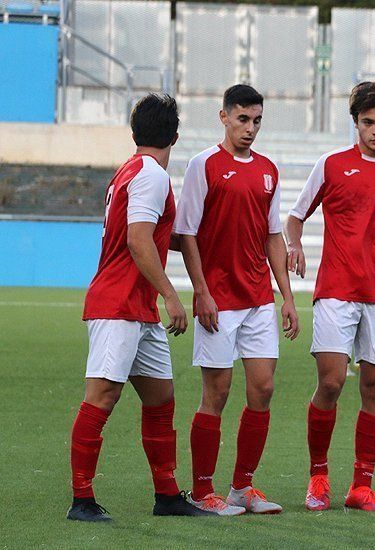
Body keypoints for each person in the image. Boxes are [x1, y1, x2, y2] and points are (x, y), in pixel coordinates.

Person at [68, 93, 210, 521]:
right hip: (118, 304)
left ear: (135, 132)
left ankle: (166, 496)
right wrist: (171, 293)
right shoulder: (151, 174)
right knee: (102, 396)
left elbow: (145, 235)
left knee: (160, 395)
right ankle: (82, 500)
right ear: (176, 137)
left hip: (135, 305)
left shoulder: (130, 170)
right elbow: (137, 239)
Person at [286, 78, 375, 512]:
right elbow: (294, 217)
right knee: (329, 382)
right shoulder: (330, 164)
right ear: (356, 123)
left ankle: (362, 485)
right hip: (337, 290)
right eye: (369, 122)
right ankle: (318, 477)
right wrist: (293, 245)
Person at [175, 84, 299, 515]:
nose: (250, 128)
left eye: (257, 120)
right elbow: (186, 232)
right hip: (218, 301)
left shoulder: (267, 169)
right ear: (223, 116)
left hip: (259, 298)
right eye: (243, 119)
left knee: (262, 389)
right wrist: (202, 291)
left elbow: (272, 235)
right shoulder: (202, 165)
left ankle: (242, 488)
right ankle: (202, 490)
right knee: (218, 393)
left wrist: (287, 296)